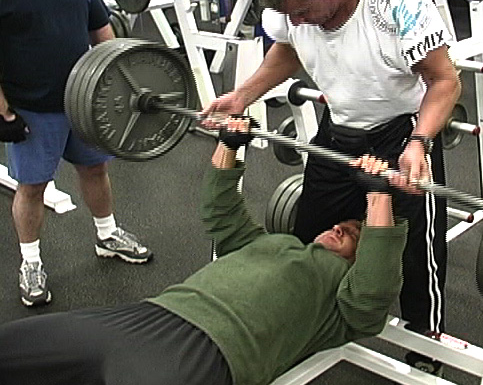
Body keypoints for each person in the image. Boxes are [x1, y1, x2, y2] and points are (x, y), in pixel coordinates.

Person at [204, 0, 460, 373]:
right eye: (290, 16)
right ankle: (304, 318)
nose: (298, 21)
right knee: (308, 234)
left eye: (302, 12)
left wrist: (419, 143)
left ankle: (425, 337)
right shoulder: (293, 9)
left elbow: (444, 82)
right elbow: (287, 50)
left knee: (415, 247)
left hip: (401, 133)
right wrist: (242, 95)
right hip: (338, 130)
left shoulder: (397, 3)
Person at [0, 117, 409, 385]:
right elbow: (220, 213)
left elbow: (375, 284)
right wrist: (229, 145)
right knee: (14, 344)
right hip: (144, 317)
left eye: (354, 234)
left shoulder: (345, 307)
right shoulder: (271, 243)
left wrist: (378, 196)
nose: (340, 226)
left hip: (206, 353)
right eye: (343, 223)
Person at [0, 0, 151, 307]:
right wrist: (3, 114)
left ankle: (107, 235)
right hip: (31, 108)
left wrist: (119, 79)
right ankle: (30, 262)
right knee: (32, 187)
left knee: (96, 169)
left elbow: (100, 29)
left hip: (82, 101)